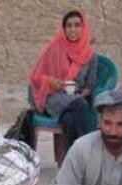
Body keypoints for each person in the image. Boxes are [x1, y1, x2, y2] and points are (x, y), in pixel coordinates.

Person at [29, 10, 97, 150]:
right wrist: (50, 81)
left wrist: (80, 94)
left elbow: (89, 86)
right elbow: (35, 77)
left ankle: (69, 160)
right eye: (69, 26)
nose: (73, 29)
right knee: (80, 105)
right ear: (64, 29)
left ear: (83, 28)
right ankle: (87, 153)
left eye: (77, 25)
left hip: (76, 99)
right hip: (53, 97)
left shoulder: (90, 55)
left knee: (69, 119)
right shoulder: (54, 48)